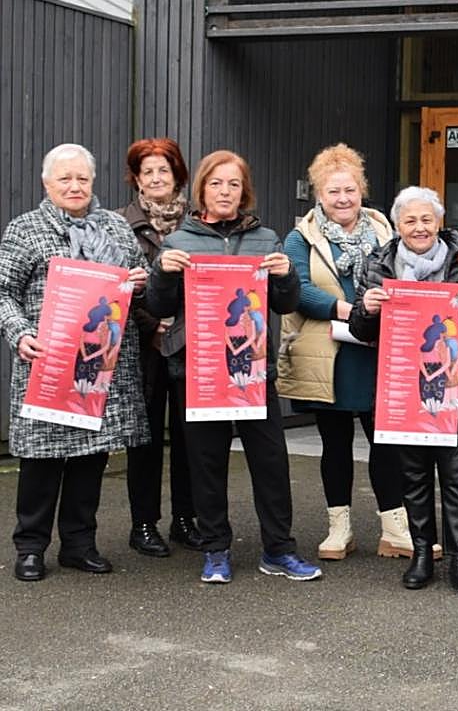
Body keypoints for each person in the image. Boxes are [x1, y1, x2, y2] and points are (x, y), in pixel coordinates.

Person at [147, 149, 321, 585]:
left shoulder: (266, 238)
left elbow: (286, 303)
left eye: (234, 184)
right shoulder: (180, 241)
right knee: (206, 463)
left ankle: (279, 550)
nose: (225, 192)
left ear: (245, 193)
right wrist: (163, 274)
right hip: (200, 370)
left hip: (253, 372)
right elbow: (159, 306)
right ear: (202, 188)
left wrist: (284, 276)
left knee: (271, 463)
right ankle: (215, 549)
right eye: (216, 183)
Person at [1, 144, 150, 581]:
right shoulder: (26, 230)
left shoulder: (116, 229)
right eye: (65, 178)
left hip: (100, 366)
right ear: (47, 184)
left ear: (93, 182)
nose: (75, 186)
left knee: (91, 457)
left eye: (82, 178)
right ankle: (30, 547)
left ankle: (79, 544)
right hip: (46, 363)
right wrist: (19, 332)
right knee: (42, 461)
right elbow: (3, 292)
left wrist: (139, 282)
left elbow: (138, 278)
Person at [349, 186, 458, 598]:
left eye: (426, 219)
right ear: (397, 226)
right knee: (413, 477)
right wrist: (367, 308)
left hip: (456, 386)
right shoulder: (380, 262)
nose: (419, 227)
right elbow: (361, 331)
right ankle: (422, 553)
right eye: (410, 221)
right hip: (405, 386)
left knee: (456, 479)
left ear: (439, 222)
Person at [277, 143, 416, 563]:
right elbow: (297, 290)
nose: (342, 199)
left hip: (378, 352)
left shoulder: (385, 229)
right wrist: (350, 311)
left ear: (362, 191)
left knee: (386, 443)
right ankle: (339, 528)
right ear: (319, 195)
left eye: (350, 190)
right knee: (335, 444)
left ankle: (395, 527)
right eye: (333, 191)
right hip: (330, 353)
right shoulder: (299, 237)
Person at [118, 138, 202, 558]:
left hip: (191, 343)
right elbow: (115, 285)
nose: (155, 178)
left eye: (163, 171)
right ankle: (143, 523)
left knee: (190, 438)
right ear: (136, 178)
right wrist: (152, 326)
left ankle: (186, 519)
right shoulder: (117, 223)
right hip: (142, 346)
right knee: (145, 438)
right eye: (147, 171)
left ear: (178, 177)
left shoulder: (198, 221)